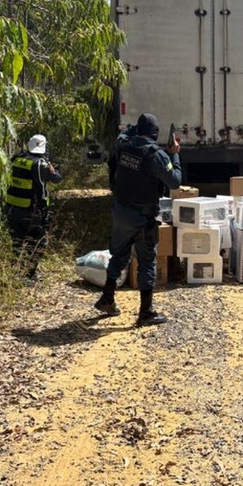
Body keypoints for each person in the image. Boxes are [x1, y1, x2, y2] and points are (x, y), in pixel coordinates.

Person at [95, 113, 181, 326]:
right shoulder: (156, 155)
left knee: (120, 254)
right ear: (156, 133)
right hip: (142, 217)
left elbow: (126, 133)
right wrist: (175, 155)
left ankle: (107, 298)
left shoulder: (123, 146)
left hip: (121, 212)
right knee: (146, 261)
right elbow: (175, 182)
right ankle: (146, 312)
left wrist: (134, 129)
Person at [4, 134, 63, 282]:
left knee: (17, 242)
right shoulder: (41, 164)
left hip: (12, 208)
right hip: (32, 210)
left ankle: (16, 274)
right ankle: (28, 275)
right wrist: (55, 169)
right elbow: (56, 178)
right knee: (37, 243)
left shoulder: (16, 160)